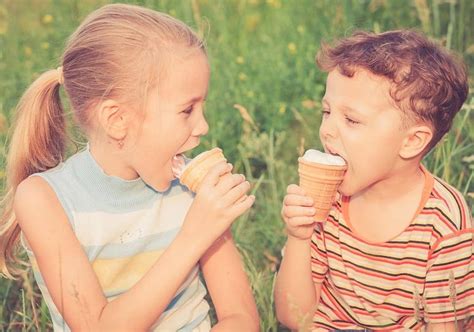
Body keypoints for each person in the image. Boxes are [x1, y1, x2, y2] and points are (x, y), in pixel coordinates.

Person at [0, 4, 259, 331]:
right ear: (117, 120)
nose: (203, 126)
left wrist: (208, 223)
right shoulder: (44, 199)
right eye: (186, 110)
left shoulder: (195, 190)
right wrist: (193, 236)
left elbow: (242, 318)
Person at [275, 29, 473, 331]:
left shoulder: (443, 220)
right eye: (327, 111)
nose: (327, 130)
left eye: (351, 120)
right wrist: (299, 237)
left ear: (411, 142)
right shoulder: (325, 201)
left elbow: (445, 326)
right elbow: (294, 318)